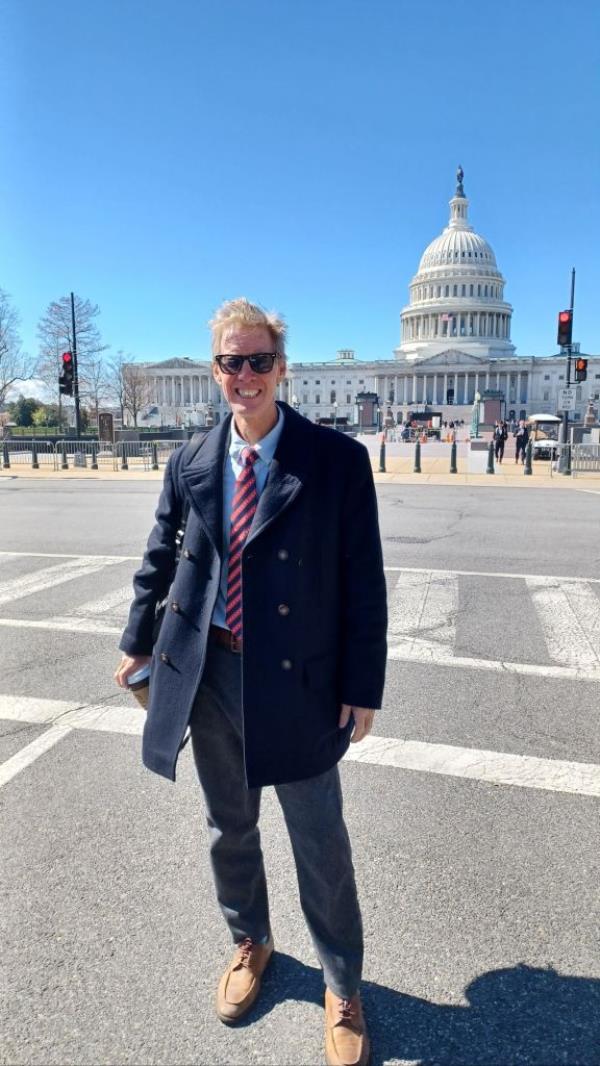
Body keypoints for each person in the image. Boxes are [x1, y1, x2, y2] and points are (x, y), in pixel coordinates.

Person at [115, 298, 387, 1066]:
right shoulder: (193, 459)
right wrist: (136, 641)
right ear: (216, 371)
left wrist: (362, 685)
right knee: (227, 826)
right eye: (232, 362)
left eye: (259, 360)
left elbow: (362, 581)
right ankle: (250, 941)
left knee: (320, 842)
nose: (246, 375)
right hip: (211, 673)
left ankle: (342, 983)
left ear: (281, 367)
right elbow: (160, 558)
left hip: (298, 679)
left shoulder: (333, 461)